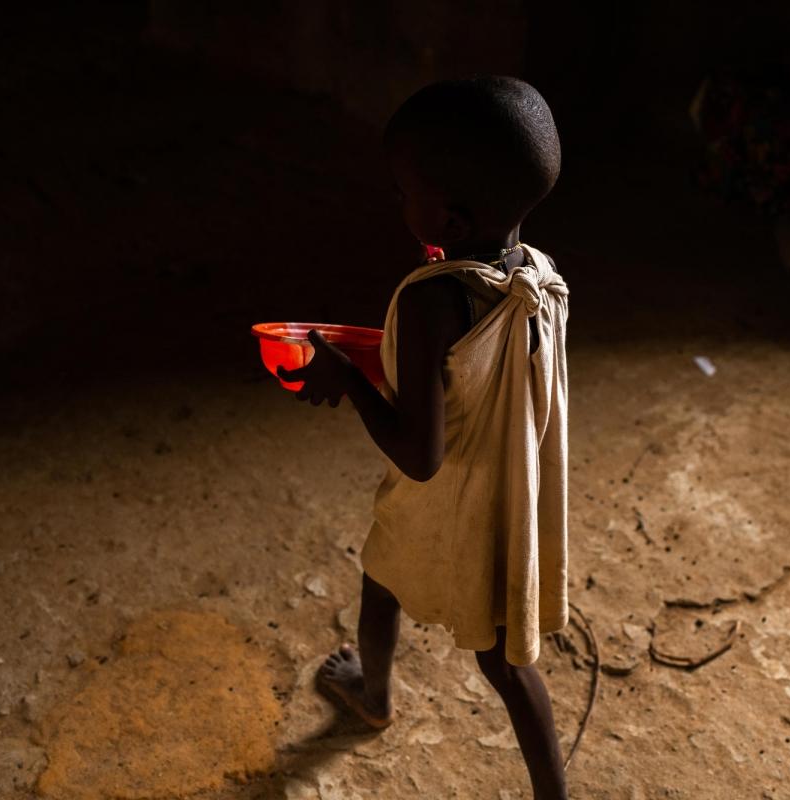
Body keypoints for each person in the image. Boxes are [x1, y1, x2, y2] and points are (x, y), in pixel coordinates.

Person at [277, 75, 569, 799]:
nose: (397, 202)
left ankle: (371, 695)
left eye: (403, 190)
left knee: (382, 581)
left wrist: (348, 378)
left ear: (452, 216)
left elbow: (421, 454)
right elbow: (484, 378)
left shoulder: (435, 297)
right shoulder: (534, 273)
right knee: (507, 663)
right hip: (509, 494)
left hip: (449, 499)